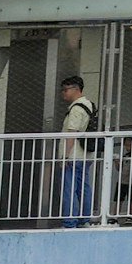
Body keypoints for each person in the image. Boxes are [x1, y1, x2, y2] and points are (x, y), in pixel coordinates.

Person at [52, 72, 99, 227]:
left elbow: (71, 133)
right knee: (83, 186)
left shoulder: (76, 109)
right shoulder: (89, 105)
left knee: (69, 189)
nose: (63, 93)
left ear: (76, 89)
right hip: (86, 154)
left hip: (74, 155)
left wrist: (65, 156)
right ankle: (84, 218)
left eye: (66, 90)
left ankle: (70, 221)